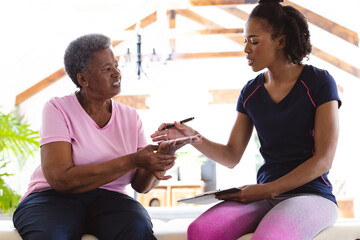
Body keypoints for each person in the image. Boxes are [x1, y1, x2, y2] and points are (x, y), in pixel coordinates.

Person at [151, 0, 341, 239]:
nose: (246, 49)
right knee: (201, 230)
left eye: (254, 41)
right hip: (265, 195)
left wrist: (265, 190)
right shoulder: (250, 92)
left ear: (280, 41)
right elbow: (231, 155)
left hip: (312, 195)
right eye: (245, 41)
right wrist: (192, 137)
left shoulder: (319, 82)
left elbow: (324, 160)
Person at [13, 33, 198, 240]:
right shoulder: (57, 108)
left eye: (116, 66)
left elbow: (141, 186)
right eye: (107, 69)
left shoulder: (130, 117)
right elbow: (60, 180)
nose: (117, 73)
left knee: (136, 227)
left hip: (110, 199)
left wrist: (159, 162)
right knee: (50, 235)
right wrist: (133, 160)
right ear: (83, 79)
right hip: (52, 198)